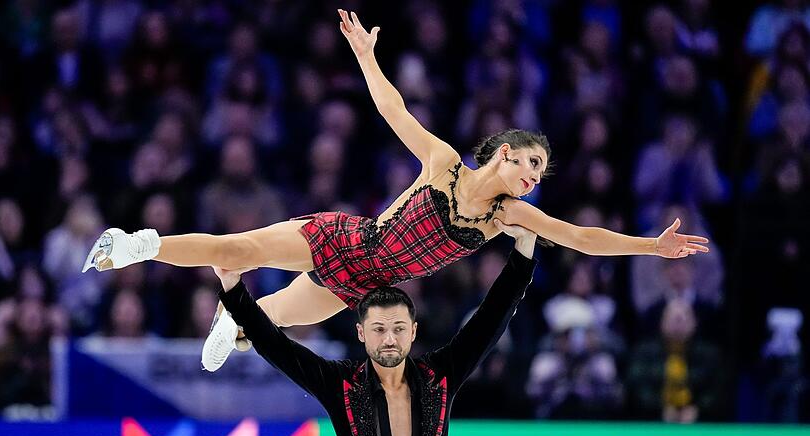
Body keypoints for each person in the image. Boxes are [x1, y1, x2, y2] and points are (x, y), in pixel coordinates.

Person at [82, 10, 709, 371]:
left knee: (266, 321)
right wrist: (366, 56)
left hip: (361, 286)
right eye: (531, 164)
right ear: (506, 153)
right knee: (236, 251)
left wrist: (650, 247)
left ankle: (232, 319)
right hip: (344, 239)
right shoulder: (443, 163)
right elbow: (393, 109)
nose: (534, 177)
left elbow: (579, 237)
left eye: (540, 172)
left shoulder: (506, 216)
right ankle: (138, 244)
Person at [214, 220, 538, 436]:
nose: (389, 339)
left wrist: (523, 251)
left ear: (413, 331)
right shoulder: (342, 385)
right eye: (379, 329)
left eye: (398, 329)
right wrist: (233, 289)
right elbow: (279, 349)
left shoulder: (439, 375)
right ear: (361, 333)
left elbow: (489, 322)